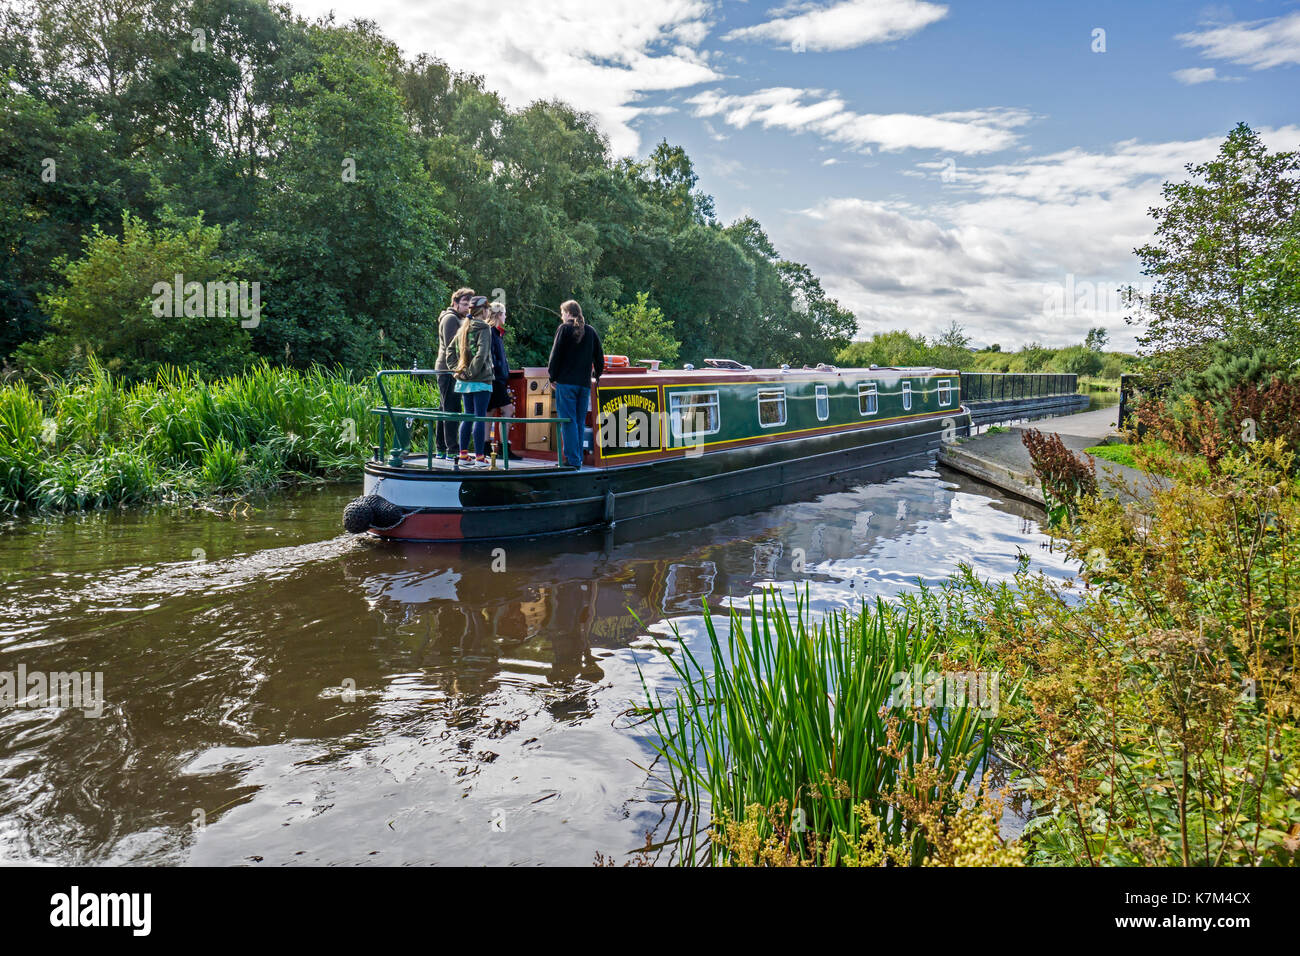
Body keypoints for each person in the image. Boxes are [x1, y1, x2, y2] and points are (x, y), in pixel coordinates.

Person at [546, 300, 604, 468]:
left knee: (568, 421)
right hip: (584, 385)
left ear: (569, 313)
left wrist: (552, 377)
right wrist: (596, 375)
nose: (562, 316)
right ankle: (577, 458)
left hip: (566, 383)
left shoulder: (564, 329)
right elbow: (599, 357)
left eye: (563, 313)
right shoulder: (590, 331)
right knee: (579, 422)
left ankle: (572, 460)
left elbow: (555, 355)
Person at [450, 296, 496, 467]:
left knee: (467, 416)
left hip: (464, 381)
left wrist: (458, 371)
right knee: (480, 417)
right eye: (488, 309)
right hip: (481, 379)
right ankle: (480, 457)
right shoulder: (484, 327)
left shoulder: (463, 327)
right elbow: (482, 354)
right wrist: (471, 373)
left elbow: (450, 351)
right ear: (483, 310)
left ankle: (463, 455)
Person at [434, 288, 474, 460]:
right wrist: (458, 370)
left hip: (451, 369)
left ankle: (442, 448)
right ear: (455, 303)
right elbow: (453, 348)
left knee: (445, 408)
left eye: (469, 305)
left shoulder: (459, 318)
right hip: (447, 369)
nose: (467, 308)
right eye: (464, 304)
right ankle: (451, 449)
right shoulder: (450, 319)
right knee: (451, 409)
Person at [486, 301, 514, 456]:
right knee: (508, 410)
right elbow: (491, 356)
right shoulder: (492, 333)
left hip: (495, 378)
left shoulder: (495, 333)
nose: (505, 316)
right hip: (496, 379)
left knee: (489, 412)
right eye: (504, 313)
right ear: (498, 315)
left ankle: (485, 446)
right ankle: (504, 448)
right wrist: (501, 369)